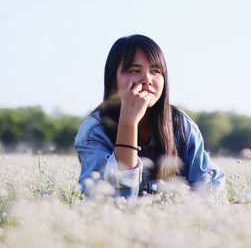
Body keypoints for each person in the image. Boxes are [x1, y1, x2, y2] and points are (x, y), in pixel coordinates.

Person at [74, 34, 224, 198]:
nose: (147, 79)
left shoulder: (181, 125)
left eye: (155, 71)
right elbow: (115, 201)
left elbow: (210, 189)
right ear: (112, 79)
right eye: (135, 70)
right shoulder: (94, 132)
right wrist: (128, 123)